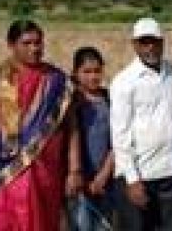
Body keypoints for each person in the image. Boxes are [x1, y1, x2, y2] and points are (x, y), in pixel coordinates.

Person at [0, 19, 83, 231]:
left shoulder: (57, 81)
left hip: (44, 174)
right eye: (27, 43)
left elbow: (72, 126)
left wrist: (74, 170)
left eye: (38, 43)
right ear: (11, 45)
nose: (35, 48)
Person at [111, 17, 172, 231]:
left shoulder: (171, 71)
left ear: (163, 42)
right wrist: (133, 181)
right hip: (141, 175)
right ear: (134, 45)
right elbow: (120, 135)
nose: (150, 47)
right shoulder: (124, 82)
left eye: (154, 41)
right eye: (144, 42)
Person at [67, 47, 115, 231]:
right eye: (86, 72)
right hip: (76, 183)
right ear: (75, 73)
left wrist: (103, 176)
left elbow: (118, 141)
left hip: (106, 182)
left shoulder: (110, 100)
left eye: (97, 71)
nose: (93, 77)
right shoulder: (69, 103)